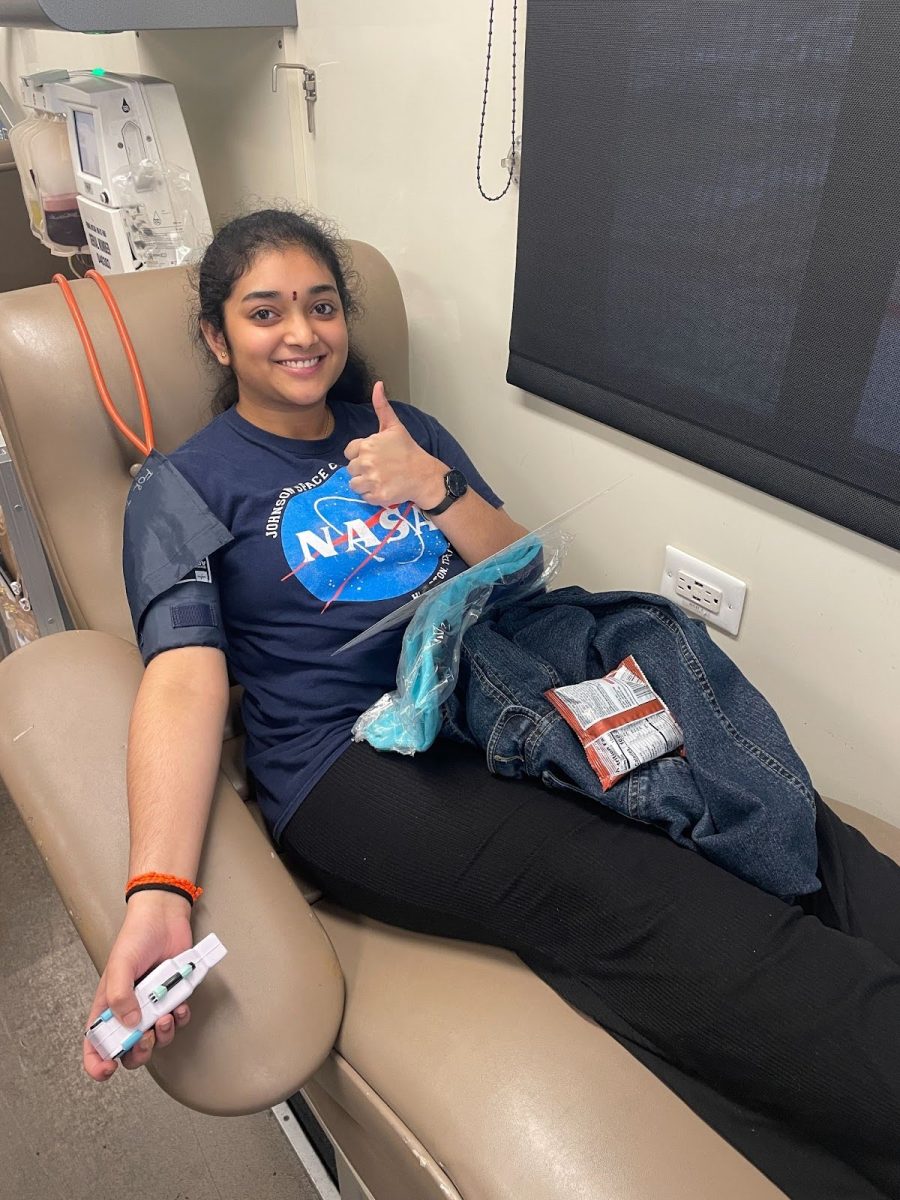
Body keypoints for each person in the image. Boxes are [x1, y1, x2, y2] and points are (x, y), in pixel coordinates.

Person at [83, 209, 900, 1199]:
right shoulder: (182, 485)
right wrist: (158, 890)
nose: (300, 333)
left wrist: (434, 487)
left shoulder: (400, 429)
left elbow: (521, 569)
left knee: (732, 788)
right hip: (356, 764)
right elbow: (184, 676)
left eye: (320, 306)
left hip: (499, 689)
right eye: (264, 312)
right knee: (629, 882)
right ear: (218, 337)